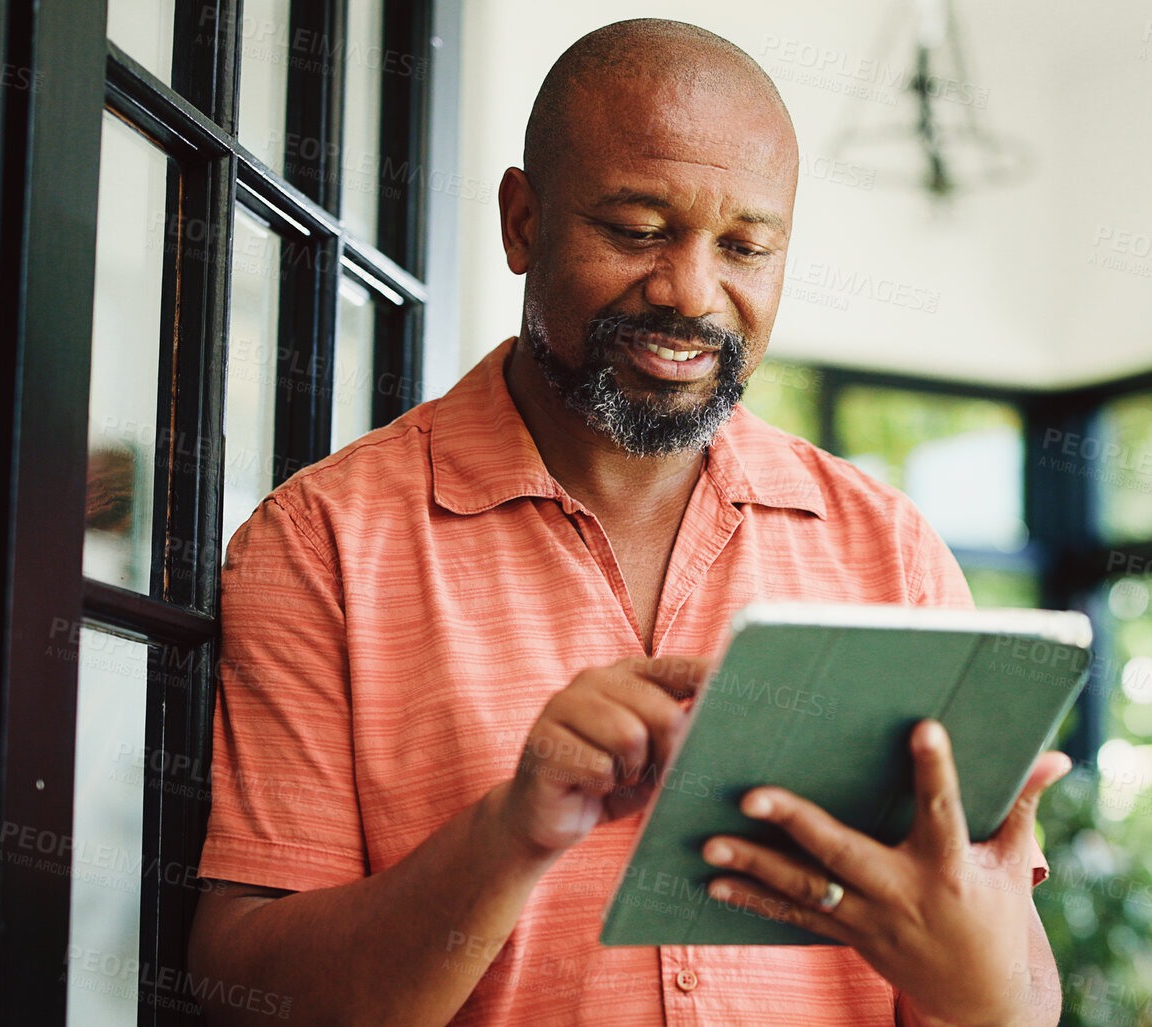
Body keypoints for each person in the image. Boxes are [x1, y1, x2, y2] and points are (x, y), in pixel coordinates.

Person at [188, 18, 1069, 1026]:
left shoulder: (892, 552)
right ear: (523, 221)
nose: (690, 291)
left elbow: (1022, 995)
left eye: (745, 246)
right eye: (638, 230)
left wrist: (975, 977)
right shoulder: (323, 544)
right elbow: (242, 994)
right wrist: (509, 833)